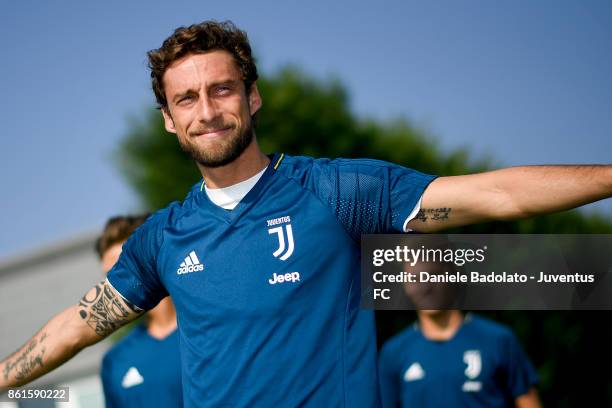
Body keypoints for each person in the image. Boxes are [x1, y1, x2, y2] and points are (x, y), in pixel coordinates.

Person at [0, 20, 610, 407]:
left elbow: (498, 193)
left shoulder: (337, 190)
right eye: (186, 97)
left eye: (222, 89)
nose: (207, 110)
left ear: (252, 96)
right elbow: (76, 325)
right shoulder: (162, 237)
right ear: (169, 119)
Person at [379, 258, 542, 407]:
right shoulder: (393, 352)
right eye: (415, 278)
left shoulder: (498, 340)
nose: (425, 287)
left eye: (433, 275)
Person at [96, 215, 182, 408]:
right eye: (108, 277)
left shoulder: (209, 333)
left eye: (120, 271)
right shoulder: (115, 361)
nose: (113, 287)